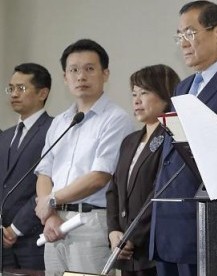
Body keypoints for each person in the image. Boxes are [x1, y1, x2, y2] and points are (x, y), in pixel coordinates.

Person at [148, 1, 217, 276]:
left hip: (215, 229)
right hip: (172, 225)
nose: (183, 43)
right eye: (179, 36)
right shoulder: (183, 87)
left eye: (190, 33)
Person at [34, 39, 134, 274]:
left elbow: (100, 176)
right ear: (65, 77)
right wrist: (49, 215)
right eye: (74, 70)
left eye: (89, 69)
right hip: (54, 222)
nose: (81, 76)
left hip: (90, 222)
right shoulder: (59, 122)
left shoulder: (115, 119)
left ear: (105, 73)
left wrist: (51, 200)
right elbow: (44, 172)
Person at [106, 64, 180, 276]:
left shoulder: (173, 135)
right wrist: (114, 232)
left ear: (165, 95)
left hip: (153, 250)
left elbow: (160, 192)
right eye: (134, 94)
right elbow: (114, 190)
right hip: (124, 250)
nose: (136, 100)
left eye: (144, 93)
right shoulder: (129, 141)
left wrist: (133, 235)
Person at [0, 63, 53, 270]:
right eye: (11, 88)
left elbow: (50, 183)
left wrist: (16, 228)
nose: (14, 94)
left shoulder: (54, 129)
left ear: (43, 93)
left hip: (34, 238)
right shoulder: (5, 136)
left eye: (21, 88)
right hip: (3, 242)